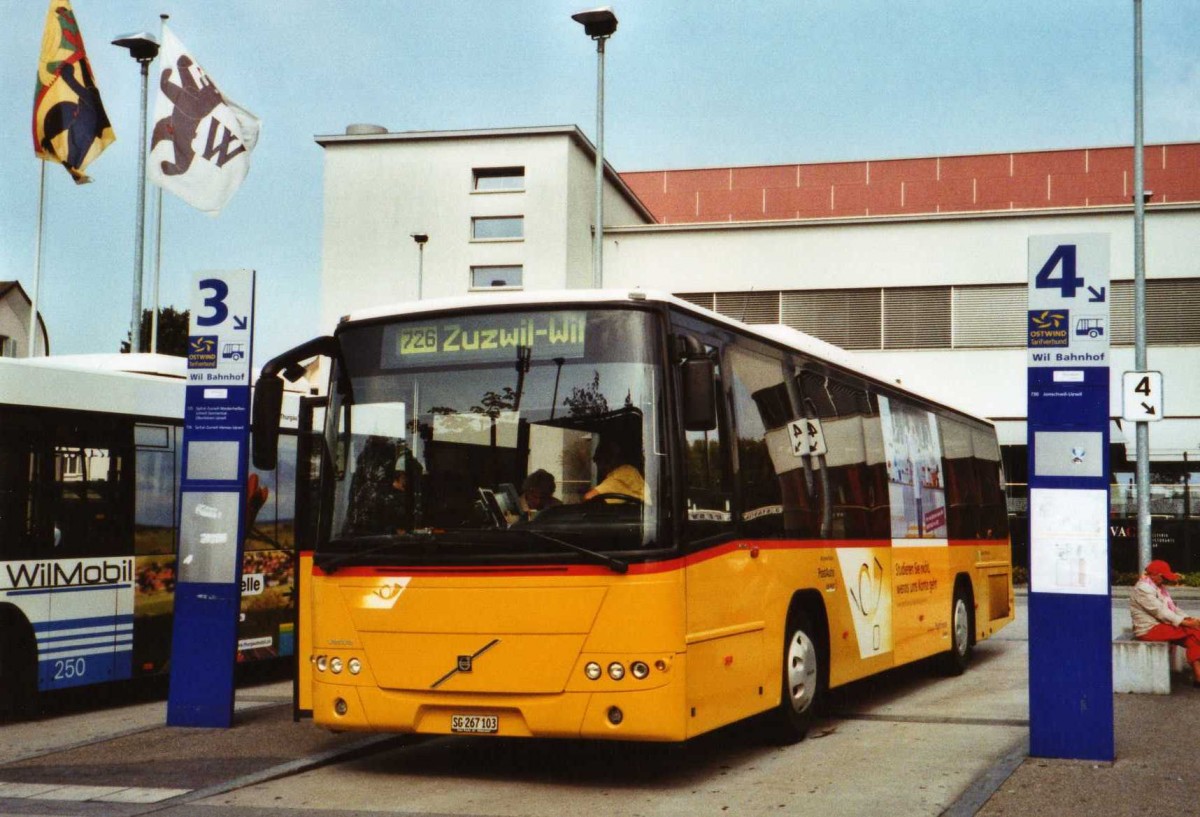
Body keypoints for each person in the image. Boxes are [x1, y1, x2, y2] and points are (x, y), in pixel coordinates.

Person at [1129, 559, 1200, 688]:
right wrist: (1187, 623)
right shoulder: (1143, 589)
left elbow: (1173, 609)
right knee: (1194, 631)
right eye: (1163, 577)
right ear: (1155, 574)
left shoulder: (1156, 586)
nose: (1165, 580)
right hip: (1148, 629)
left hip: (1160, 625)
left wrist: (1188, 619)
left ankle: (1198, 677)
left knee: (1193, 638)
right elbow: (1161, 612)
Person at [584, 437, 646, 502]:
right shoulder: (632, 470)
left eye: (598, 460)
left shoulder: (620, 475)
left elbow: (588, 497)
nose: (599, 466)